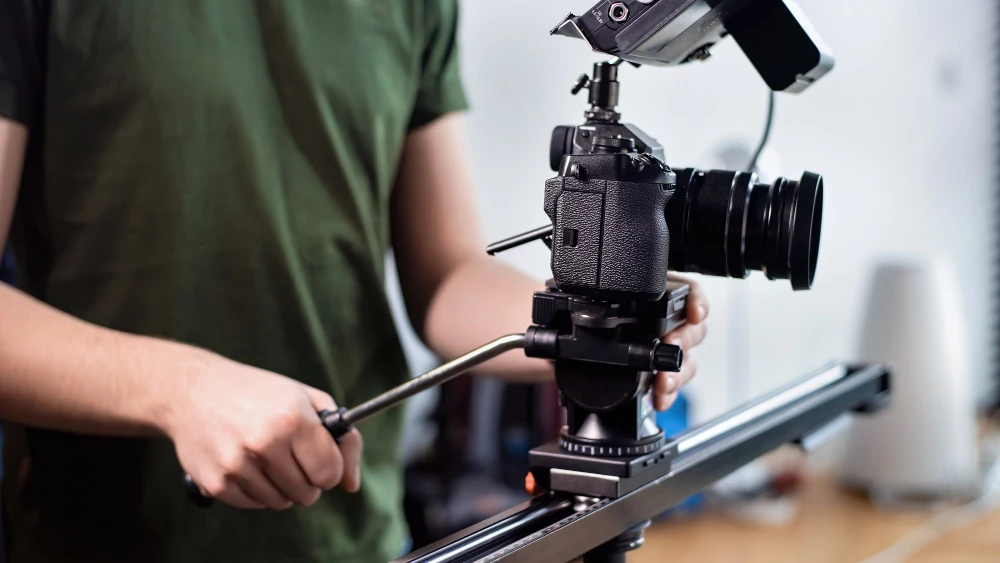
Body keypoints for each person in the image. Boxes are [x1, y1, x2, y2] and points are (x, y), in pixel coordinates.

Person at [0, 2, 710, 562]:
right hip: (101, 537)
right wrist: (178, 390)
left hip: (357, 535)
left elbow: (445, 276)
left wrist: (601, 320)